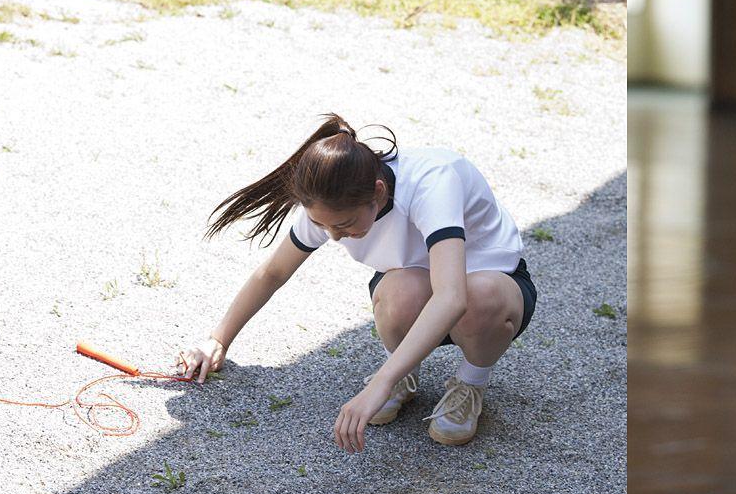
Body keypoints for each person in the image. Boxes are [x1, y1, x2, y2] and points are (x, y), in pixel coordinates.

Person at [175, 114, 537, 453]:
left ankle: (470, 383)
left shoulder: (432, 182)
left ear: (378, 193)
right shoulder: (330, 205)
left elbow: (451, 296)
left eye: (344, 225)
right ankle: (402, 373)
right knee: (398, 294)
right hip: (415, 284)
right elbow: (273, 273)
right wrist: (217, 339)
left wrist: (377, 381)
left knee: (479, 298)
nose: (333, 237)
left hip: (490, 285)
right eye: (324, 226)